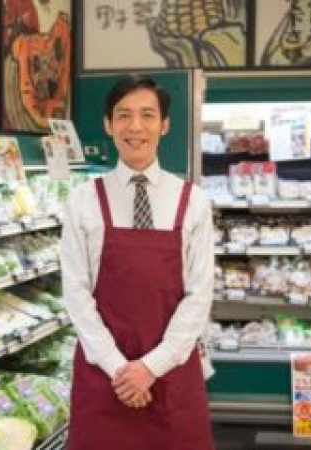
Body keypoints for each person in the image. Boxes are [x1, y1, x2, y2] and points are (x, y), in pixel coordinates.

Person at [61, 74, 215, 449]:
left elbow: (199, 295)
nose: (135, 127)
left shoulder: (193, 201)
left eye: (147, 115)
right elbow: (76, 294)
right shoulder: (82, 200)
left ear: (165, 125)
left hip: (171, 371)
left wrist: (150, 367)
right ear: (108, 124)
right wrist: (120, 369)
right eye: (124, 115)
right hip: (105, 375)